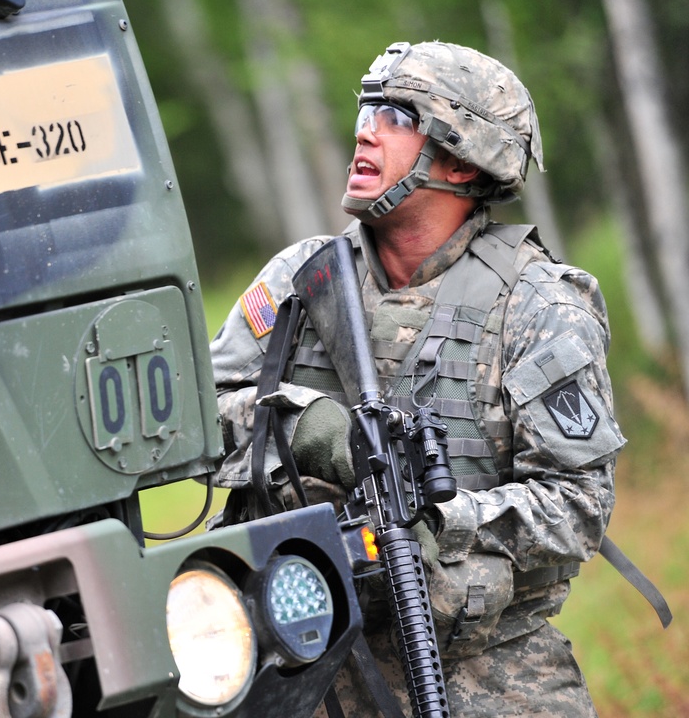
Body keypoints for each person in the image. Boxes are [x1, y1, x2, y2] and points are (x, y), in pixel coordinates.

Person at [208, 41, 624, 717]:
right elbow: (193, 418)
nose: (366, 130)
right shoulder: (298, 282)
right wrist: (301, 427)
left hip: (485, 670)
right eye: (367, 109)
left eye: (398, 115)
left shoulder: (538, 305)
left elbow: (578, 505)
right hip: (305, 662)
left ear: (461, 161)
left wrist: (444, 520)